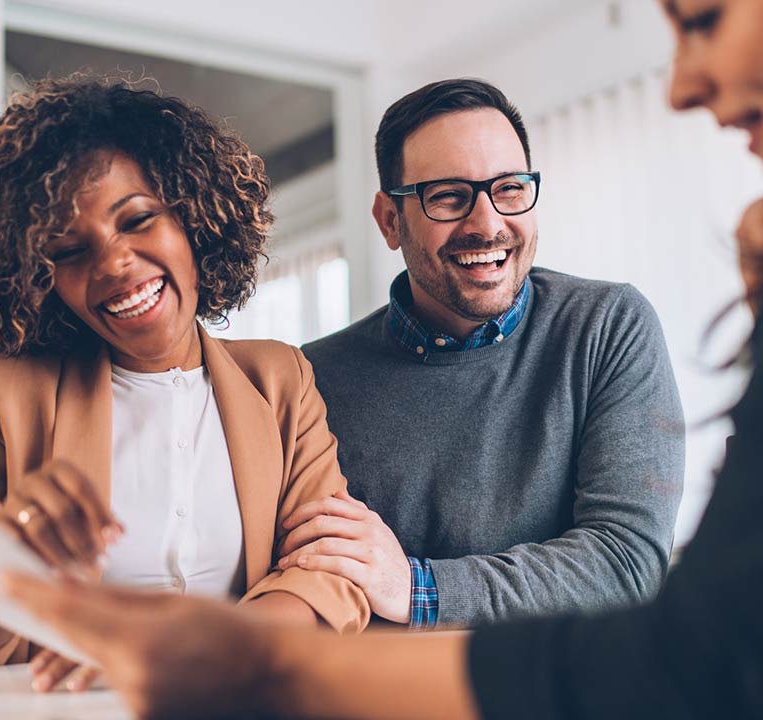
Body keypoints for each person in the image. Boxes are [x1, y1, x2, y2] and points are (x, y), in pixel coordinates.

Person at [4, 0, 763, 717]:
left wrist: (315, 641)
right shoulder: (301, 379)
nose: (682, 84)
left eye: (700, 17)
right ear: (388, 218)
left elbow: (691, 622)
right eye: (448, 196)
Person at [0, 76, 370, 692]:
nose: (113, 262)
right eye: (69, 251)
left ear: (195, 219)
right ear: (40, 278)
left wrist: (204, 647)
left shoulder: (279, 379)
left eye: (137, 219)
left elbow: (331, 575)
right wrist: (10, 565)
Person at [278, 78, 685, 628]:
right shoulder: (312, 380)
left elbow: (625, 563)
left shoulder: (607, 327)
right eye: (448, 195)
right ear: (390, 220)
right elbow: (307, 574)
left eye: (510, 188)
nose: (488, 223)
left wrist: (418, 587)